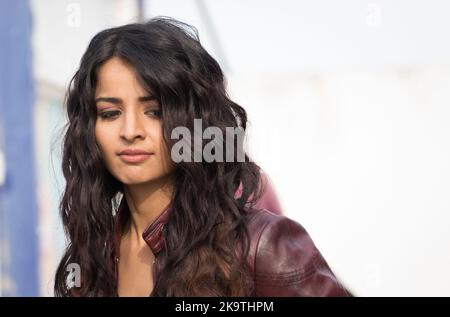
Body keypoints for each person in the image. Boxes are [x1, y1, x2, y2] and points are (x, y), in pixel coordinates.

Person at [54, 17, 351, 297]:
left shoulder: (261, 245)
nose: (130, 131)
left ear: (194, 123)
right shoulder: (95, 255)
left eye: (155, 111)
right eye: (110, 113)